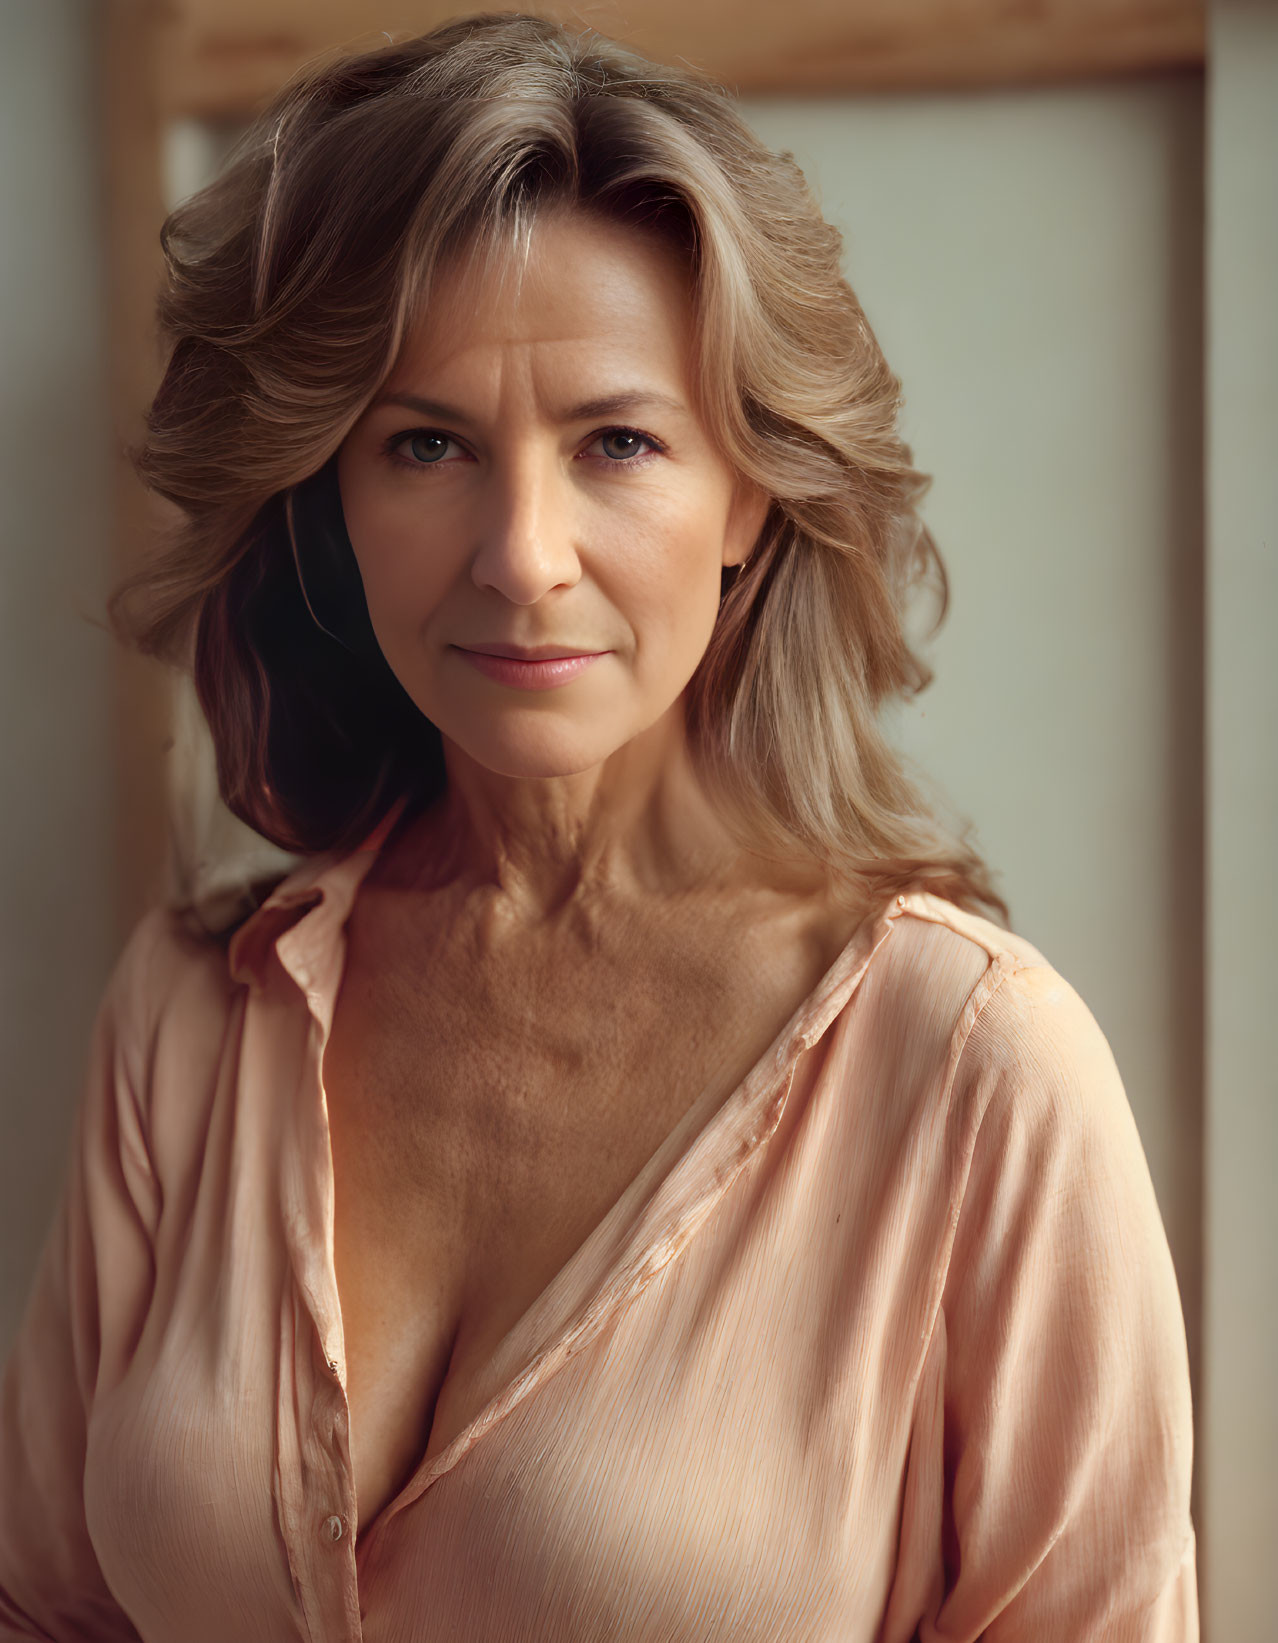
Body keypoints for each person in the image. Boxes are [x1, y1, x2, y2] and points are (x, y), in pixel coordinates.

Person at [0, 13, 1197, 1640]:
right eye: (425, 444)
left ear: (749, 492)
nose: (521, 554)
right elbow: (48, 1605)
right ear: (332, 496)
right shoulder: (193, 1016)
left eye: (616, 442)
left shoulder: (976, 1073)